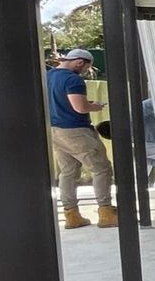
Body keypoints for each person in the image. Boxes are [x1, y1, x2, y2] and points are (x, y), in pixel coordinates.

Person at [46, 48, 116, 229]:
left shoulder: (48, 76)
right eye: (86, 68)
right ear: (79, 62)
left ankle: (72, 215)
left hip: (55, 131)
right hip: (76, 131)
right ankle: (106, 212)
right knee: (101, 169)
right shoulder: (73, 79)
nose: (85, 71)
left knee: (68, 172)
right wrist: (95, 106)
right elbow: (80, 108)